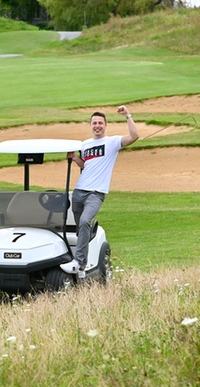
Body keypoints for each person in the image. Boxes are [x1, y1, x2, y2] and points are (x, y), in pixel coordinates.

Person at [68, 105, 139, 280]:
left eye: (100, 123)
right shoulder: (84, 144)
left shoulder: (112, 142)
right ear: (90, 125)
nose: (97, 125)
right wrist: (76, 159)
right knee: (80, 228)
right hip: (79, 191)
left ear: (105, 125)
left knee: (85, 221)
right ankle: (83, 264)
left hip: (96, 193)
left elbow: (134, 136)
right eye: (94, 123)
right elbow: (86, 166)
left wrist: (127, 115)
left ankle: (80, 263)